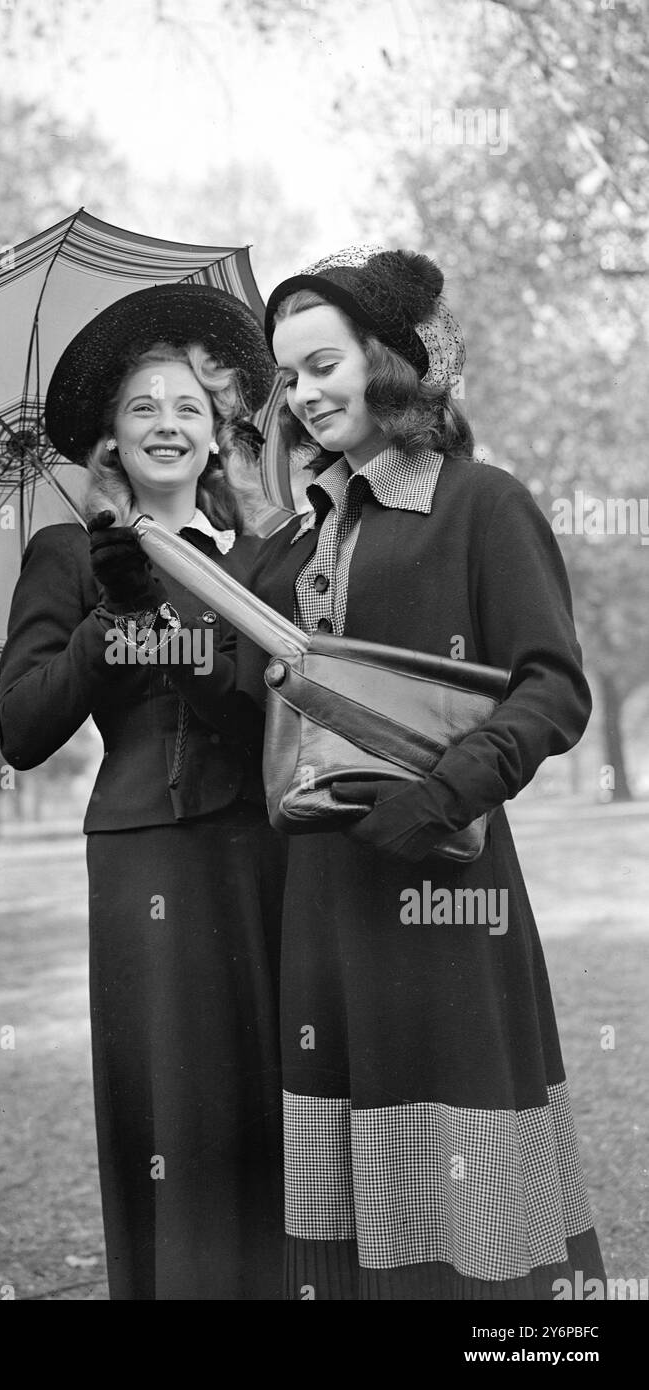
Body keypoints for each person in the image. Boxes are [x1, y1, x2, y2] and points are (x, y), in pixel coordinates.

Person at [231, 245, 607, 1299]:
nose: (301, 394)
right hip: (323, 903)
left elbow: (550, 686)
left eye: (321, 364)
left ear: (388, 362)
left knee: (470, 1200)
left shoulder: (480, 504)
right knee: (344, 1206)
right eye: (286, 378)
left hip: (447, 889)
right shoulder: (287, 546)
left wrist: (448, 786)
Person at [0, 283, 287, 1300]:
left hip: (256, 848)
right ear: (110, 439)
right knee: (168, 1099)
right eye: (141, 407)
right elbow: (21, 729)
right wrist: (105, 618)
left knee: (262, 1090)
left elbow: (262, 717)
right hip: (140, 853)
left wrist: (170, 603)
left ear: (216, 439)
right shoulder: (64, 555)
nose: (166, 422)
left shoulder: (257, 560)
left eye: (188, 409)